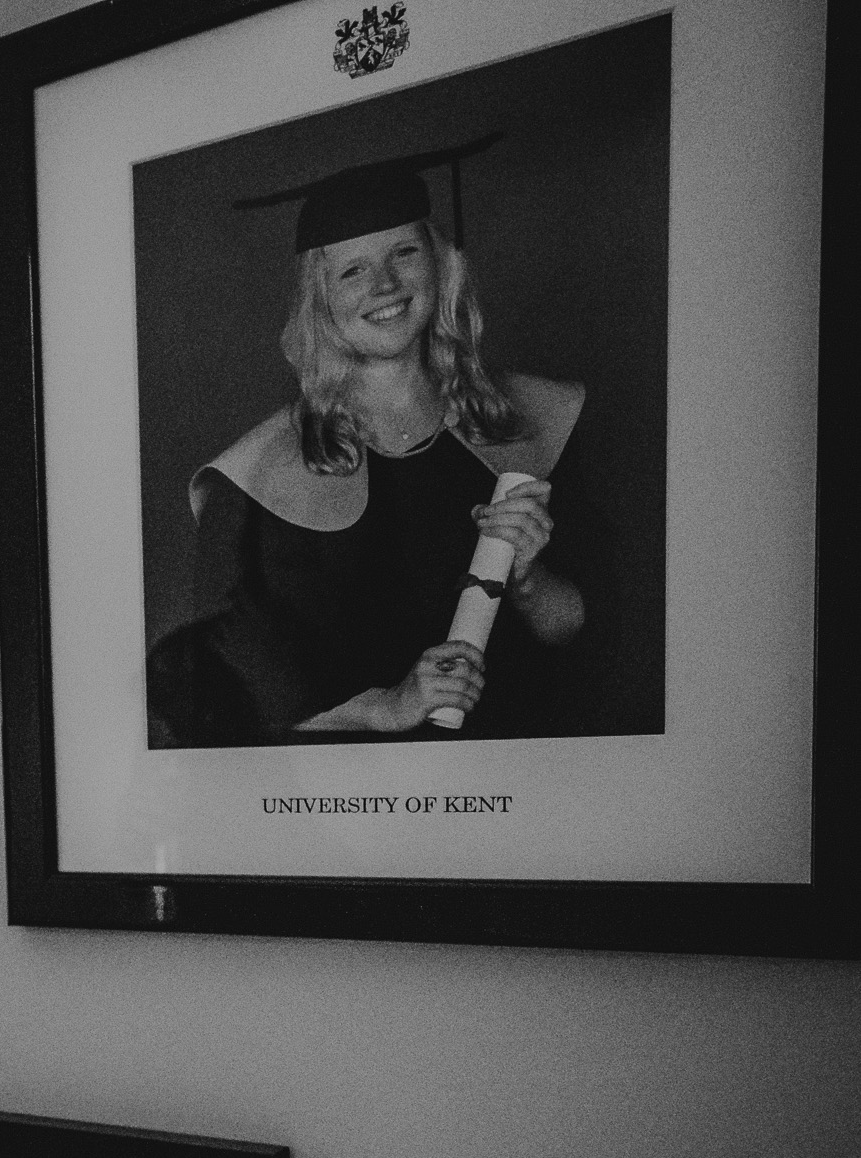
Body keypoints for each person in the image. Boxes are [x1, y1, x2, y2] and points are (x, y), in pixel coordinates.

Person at [149, 138, 597, 747]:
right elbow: (222, 692)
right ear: (321, 297)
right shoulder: (256, 476)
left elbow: (584, 635)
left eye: (404, 252)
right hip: (349, 807)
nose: (384, 285)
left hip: (518, 778)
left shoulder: (528, 421)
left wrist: (526, 576)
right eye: (352, 270)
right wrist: (387, 706)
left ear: (440, 265)